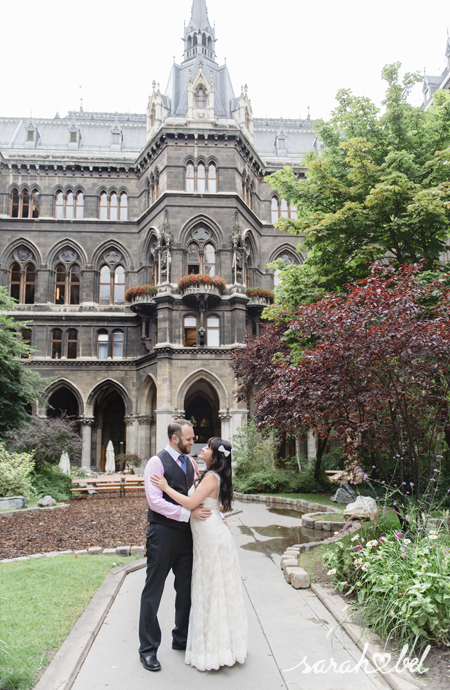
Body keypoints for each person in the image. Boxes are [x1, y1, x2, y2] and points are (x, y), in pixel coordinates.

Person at [151, 436, 248, 671]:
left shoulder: (212, 476)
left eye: (206, 447)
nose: (201, 448)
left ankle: (215, 647)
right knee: (213, 587)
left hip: (210, 536)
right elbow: (213, 504)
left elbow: (192, 502)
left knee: (212, 587)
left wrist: (165, 488)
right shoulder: (208, 473)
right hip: (208, 534)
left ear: (214, 455)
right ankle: (220, 644)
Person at [138, 419, 212, 673]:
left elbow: (194, 493)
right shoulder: (156, 463)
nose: (193, 443)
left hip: (187, 536)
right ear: (174, 438)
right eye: (189, 439)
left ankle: (181, 639)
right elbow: (154, 501)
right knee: (153, 591)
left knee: (186, 590)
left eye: (193, 439)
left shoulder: (191, 462)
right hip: (162, 534)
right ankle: (148, 650)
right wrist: (186, 514)